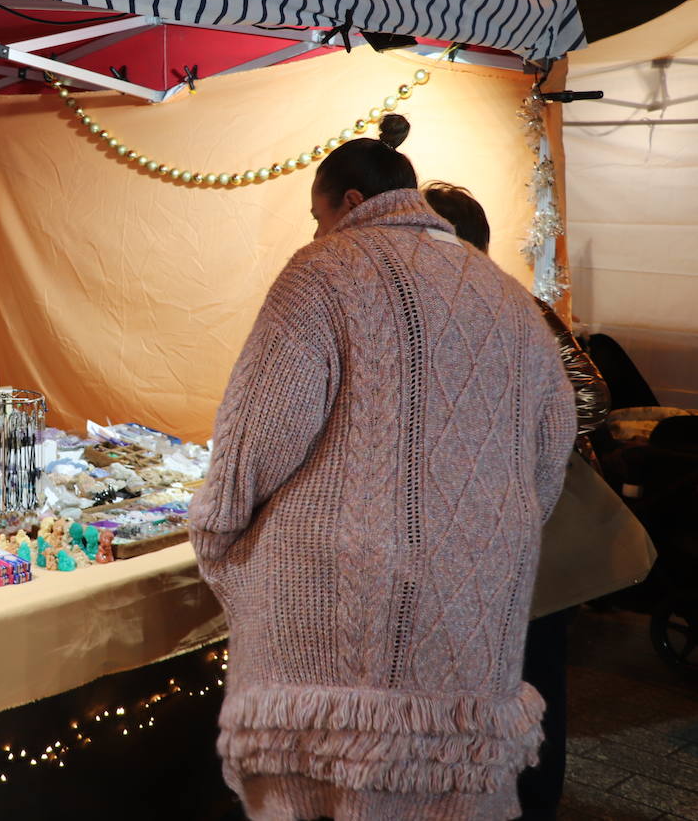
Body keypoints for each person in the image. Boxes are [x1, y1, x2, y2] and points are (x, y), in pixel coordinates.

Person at [190, 115, 576, 821]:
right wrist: (486, 532)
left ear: (349, 201)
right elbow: (552, 448)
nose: (316, 233)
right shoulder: (503, 293)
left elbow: (258, 436)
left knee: (328, 785)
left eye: (317, 216)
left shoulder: (323, 271)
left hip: (338, 604)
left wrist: (217, 535)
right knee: (448, 787)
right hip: (478, 597)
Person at [423, 181, 613, 821]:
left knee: (530, 670)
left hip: (520, 537)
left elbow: (589, 401)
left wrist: (507, 454)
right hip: (480, 538)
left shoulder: (505, 307)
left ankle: (528, 802)